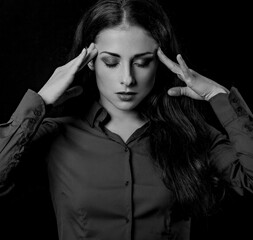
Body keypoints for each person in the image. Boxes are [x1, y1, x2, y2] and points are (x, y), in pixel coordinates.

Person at [0, 0, 252, 239]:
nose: (127, 79)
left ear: (159, 64)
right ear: (89, 63)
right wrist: (40, 101)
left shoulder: (192, 135)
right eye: (111, 62)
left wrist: (218, 96)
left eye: (142, 62)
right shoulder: (57, 135)